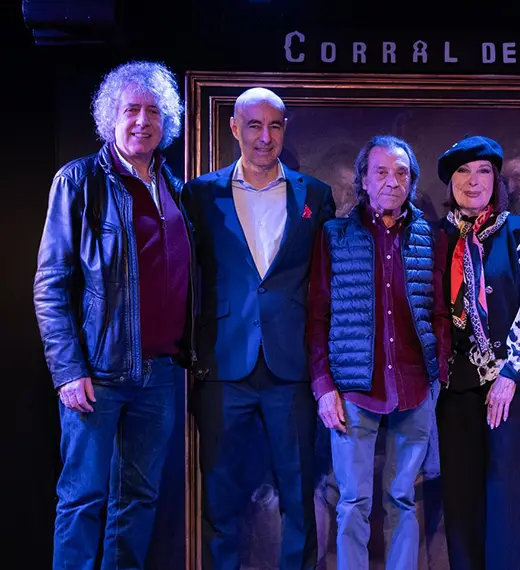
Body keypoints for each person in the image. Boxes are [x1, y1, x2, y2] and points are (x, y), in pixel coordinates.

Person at [34, 59, 192, 570]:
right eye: (131, 110)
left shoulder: (173, 187)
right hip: (96, 376)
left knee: (138, 502)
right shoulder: (78, 181)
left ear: (165, 119)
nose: (142, 120)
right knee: (82, 500)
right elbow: (50, 286)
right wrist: (68, 370)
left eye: (152, 110)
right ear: (111, 117)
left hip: (160, 375)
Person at [186, 87, 336, 570]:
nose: (265, 136)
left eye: (275, 125)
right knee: (222, 499)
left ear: (284, 129)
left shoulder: (315, 194)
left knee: (299, 496)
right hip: (224, 364)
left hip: (290, 367)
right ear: (235, 129)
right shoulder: (200, 195)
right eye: (254, 125)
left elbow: (324, 283)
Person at [306, 135, 445, 569]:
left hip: (414, 388)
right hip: (353, 391)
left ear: (412, 181)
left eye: (401, 172)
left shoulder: (431, 236)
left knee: (403, 499)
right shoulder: (334, 236)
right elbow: (317, 316)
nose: (392, 181)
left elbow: (439, 311)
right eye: (381, 172)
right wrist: (324, 386)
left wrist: (437, 373)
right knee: (352, 501)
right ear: (364, 180)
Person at [435, 136, 520, 570]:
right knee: (462, 503)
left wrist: (510, 375)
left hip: (512, 390)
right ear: (450, 183)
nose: (473, 180)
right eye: (463, 171)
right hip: (456, 388)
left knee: (509, 502)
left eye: (483, 171)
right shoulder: (438, 236)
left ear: (496, 180)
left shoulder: (518, 231)